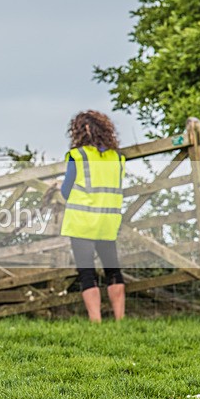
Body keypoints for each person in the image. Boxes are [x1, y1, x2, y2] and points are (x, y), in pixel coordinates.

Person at [60, 110, 126, 322]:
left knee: (87, 272)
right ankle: (120, 319)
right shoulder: (117, 158)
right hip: (108, 222)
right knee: (113, 270)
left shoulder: (78, 156)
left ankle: (96, 321)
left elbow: (66, 190)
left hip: (82, 222)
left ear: (81, 130)